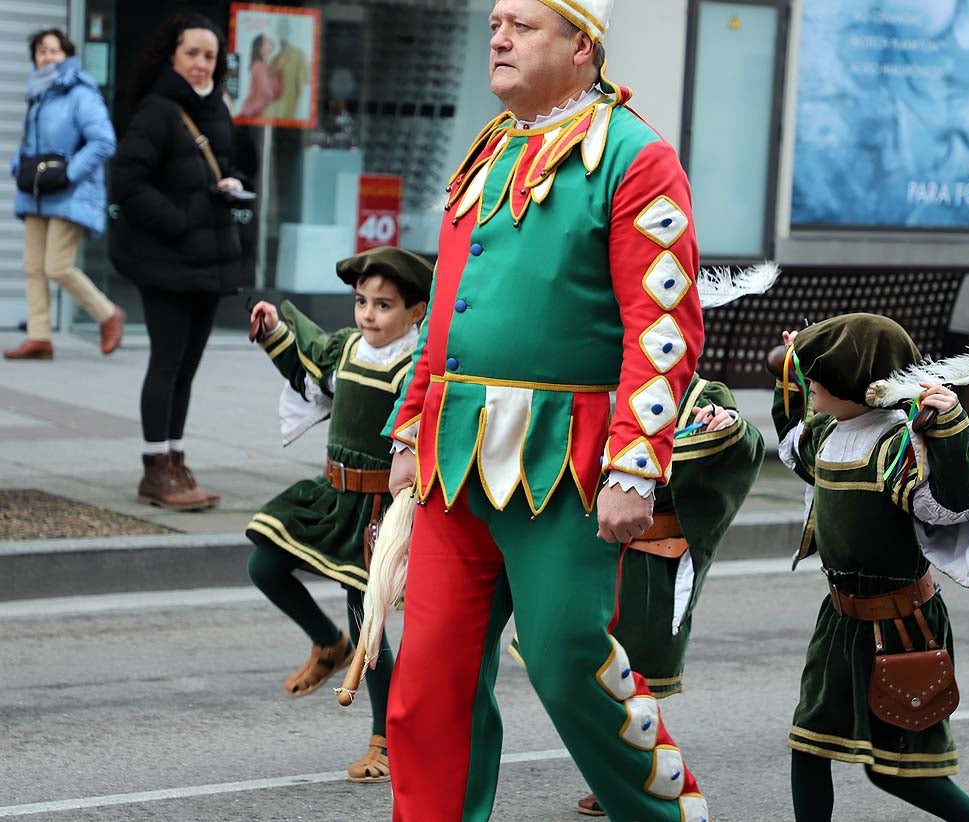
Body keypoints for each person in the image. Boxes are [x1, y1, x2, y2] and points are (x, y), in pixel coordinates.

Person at [382, 0, 709, 819]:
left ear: (582, 47)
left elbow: (663, 332)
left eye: (522, 25)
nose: (497, 37)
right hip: (452, 462)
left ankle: (670, 816)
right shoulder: (490, 147)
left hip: (565, 466)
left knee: (568, 663)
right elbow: (448, 310)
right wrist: (413, 426)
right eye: (495, 22)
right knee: (427, 686)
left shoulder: (636, 156)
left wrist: (637, 465)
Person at [772, 313, 969, 822]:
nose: (808, 380)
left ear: (856, 384)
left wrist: (948, 429)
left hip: (903, 628)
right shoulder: (826, 432)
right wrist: (791, 371)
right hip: (839, 621)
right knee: (810, 743)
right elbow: (792, 442)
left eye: (817, 373)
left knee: (893, 768)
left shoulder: (895, 446)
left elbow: (952, 504)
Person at [510, 372, 765, 817]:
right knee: (579, 661)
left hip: (650, 560)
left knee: (633, 672)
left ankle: (640, 777)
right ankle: (623, 772)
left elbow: (743, 447)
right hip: (587, 546)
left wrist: (724, 427)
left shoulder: (704, 395)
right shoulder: (597, 382)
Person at [245, 245, 432, 784]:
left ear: (416, 312)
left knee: (368, 623)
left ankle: (386, 743)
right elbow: (310, 362)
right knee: (265, 564)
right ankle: (327, 643)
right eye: (361, 302)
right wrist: (274, 331)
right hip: (332, 495)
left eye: (384, 305)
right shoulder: (350, 348)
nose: (368, 315)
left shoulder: (416, 368)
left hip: (377, 512)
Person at [108, 12, 246, 512]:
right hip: (167, 259)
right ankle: (154, 469)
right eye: (192, 53)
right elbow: (126, 181)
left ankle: (175, 457)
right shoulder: (157, 111)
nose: (201, 64)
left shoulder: (218, 110)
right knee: (166, 364)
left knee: (186, 368)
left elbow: (217, 167)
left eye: (210, 56)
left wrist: (227, 184)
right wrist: (179, 220)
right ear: (172, 56)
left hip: (206, 262)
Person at [5, 28, 123, 361]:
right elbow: (30, 142)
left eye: (54, 50)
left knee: (56, 266)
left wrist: (68, 173)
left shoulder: (80, 93)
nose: (47, 57)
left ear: (67, 55)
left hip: (70, 193)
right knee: (33, 267)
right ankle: (39, 337)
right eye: (41, 51)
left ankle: (107, 313)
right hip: (36, 191)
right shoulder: (38, 95)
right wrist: (18, 166)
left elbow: (104, 141)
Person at [237, 34, 280, 119]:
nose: (270, 41)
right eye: (266, 41)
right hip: (254, 112)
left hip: (257, 111)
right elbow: (268, 91)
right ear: (261, 48)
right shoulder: (259, 66)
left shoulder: (266, 65)